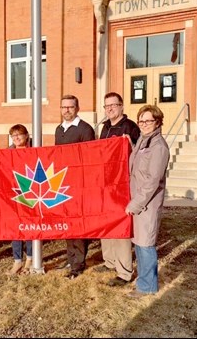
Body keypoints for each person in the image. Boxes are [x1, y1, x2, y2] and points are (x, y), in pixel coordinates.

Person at [95, 92, 140, 287]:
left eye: (114, 105)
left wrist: (128, 144)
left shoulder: (131, 127)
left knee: (120, 226)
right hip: (106, 184)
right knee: (107, 223)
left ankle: (124, 271)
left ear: (122, 106)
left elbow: (139, 154)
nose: (110, 109)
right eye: (107, 106)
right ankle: (110, 261)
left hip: (123, 185)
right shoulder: (104, 127)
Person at [125, 105, 169, 298]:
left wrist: (135, 204)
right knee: (140, 243)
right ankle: (144, 282)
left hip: (147, 204)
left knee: (146, 244)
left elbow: (152, 181)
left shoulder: (159, 147)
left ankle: (147, 287)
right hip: (138, 201)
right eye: (141, 121)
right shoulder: (143, 141)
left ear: (157, 122)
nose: (144, 124)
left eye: (148, 121)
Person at [55, 94, 95, 279]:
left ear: (77, 108)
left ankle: (78, 264)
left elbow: (89, 159)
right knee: (67, 223)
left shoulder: (85, 129)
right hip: (62, 184)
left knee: (78, 225)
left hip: (79, 185)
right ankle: (71, 258)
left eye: (70, 107)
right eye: (64, 107)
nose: (67, 110)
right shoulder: (59, 129)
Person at [7, 124, 33, 275]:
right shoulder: (7, 153)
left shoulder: (34, 151)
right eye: (13, 135)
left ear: (26, 136)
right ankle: (17, 260)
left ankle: (30, 258)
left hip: (29, 193)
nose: (16, 138)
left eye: (19, 135)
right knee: (15, 227)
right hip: (12, 193)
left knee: (29, 226)